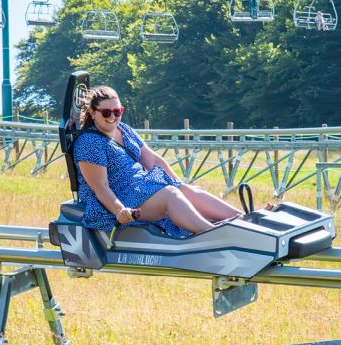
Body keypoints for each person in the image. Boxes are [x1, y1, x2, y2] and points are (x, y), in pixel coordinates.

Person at [72, 86, 241, 237]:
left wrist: (179, 184)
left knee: (182, 189)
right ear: (93, 112)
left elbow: (152, 159)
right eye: (106, 112)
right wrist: (120, 210)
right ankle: (215, 235)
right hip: (117, 201)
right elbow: (100, 187)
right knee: (170, 194)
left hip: (141, 189)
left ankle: (245, 219)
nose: (113, 117)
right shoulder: (89, 142)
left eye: (118, 111)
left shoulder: (124, 129)